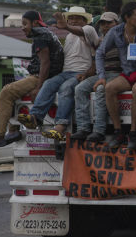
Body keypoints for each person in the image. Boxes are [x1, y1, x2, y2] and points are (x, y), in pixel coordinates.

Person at [18, 7, 99, 141]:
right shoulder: (68, 37)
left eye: (77, 18)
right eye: (71, 18)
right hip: (65, 72)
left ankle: (60, 127)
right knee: (49, 83)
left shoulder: (89, 30)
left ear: (85, 20)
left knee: (66, 88)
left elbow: (79, 31)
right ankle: (35, 117)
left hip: (79, 72)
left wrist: (66, 26)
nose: (73, 21)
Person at [0, 11, 64, 147]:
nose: (22, 27)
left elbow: (45, 63)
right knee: (14, 93)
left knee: (7, 92)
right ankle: (13, 130)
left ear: (35, 23)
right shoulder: (47, 33)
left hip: (39, 77)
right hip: (47, 77)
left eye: (25, 24)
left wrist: (39, 87)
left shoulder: (40, 35)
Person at [95, 2, 136, 150]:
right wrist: (101, 76)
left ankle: (133, 133)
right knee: (109, 88)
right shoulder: (116, 31)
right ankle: (118, 133)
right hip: (127, 73)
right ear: (127, 18)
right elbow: (100, 53)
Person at [70, 12, 121, 142]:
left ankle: (99, 131)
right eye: (103, 24)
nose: (105, 26)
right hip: (101, 74)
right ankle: (83, 128)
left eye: (109, 23)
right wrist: (86, 74)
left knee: (100, 90)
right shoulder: (99, 41)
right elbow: (95, 62)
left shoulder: (122, 38)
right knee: (79, 89)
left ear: (117, 23)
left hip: (117, 74)